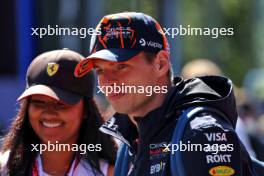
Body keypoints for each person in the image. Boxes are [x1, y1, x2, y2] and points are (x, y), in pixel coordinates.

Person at [74, 12, 257, 175]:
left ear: (160, 64)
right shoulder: (129, 139)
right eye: (100, 71)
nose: (107, 81)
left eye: (121, 66)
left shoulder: (201, 133)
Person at [0, 49, 116, 175]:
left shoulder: (111, 172)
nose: (49, 113)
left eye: (61, 104)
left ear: (86, 111)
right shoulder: (5, 168)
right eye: (39, 102)